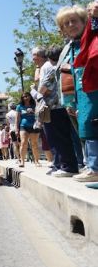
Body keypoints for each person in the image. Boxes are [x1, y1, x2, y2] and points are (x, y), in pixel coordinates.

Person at [57, 2, 98, 182]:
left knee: (92, 125)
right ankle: (91, 166)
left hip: (93, 90)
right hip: (79, 96)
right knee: (85, 128)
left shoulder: (91, 37)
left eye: (74, 21)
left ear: (84, 21)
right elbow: (67, 76)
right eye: (66, 24)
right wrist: (69, 101)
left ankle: (95, 167)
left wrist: (95, 17)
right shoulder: (69, 48)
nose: (70, 26)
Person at [40, 45, 79, 177]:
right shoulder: (67, 65)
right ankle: (73, 164)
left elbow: (43, 88)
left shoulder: (52, 69)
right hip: (68, 105)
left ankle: (68, 167)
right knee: (69, 137)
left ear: (50, 58)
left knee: (59, 139)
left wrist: (36, 92)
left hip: (54, 108)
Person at [16, 92, 41, 167]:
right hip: (23, 126)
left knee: (34, 144)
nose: (25, 98)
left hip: (34, 126)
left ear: (30, 97)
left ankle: (36, 161)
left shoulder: (35, 105)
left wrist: (33, 111)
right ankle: (22, 161)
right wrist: (16, 128)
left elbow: (39, 114)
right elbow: (17, 118)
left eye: (27, 96)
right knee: (23, 143)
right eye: (23, 97)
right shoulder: (19, 106)